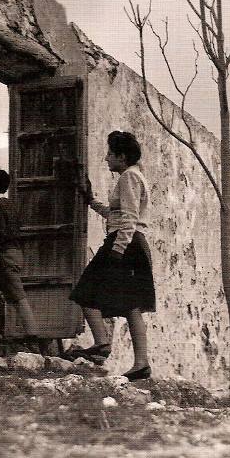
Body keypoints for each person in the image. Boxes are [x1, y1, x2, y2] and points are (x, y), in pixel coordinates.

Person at [70, 131, 155, 381]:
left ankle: (103, 345)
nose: (106, 159)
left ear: (122, 156)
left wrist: (118, 250)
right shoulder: (133, 176)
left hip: (124, 243)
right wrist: (90, 200)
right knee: (130, 305)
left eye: (110, 154)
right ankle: (139, 362)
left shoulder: (129, 177)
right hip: (130, 242)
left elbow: (128, 217)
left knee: (85, 291)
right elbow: (115, 213)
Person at [0, 168, 41, 353]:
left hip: (4, 255)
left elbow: (0, 234)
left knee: (18, 296)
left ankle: (32, 338)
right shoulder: (10, 204)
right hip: (13, 254)